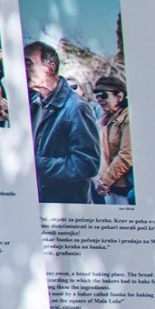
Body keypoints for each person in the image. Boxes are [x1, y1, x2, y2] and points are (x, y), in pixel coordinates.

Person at [26, 40, 102, 202]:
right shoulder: (33, 103)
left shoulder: (77, 108)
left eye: (28, 63)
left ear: (50, 68)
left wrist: (36, 164)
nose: (22, 69)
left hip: (67, 210)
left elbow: (86, 164)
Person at [93, 76, 135, 205]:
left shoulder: (129, 118)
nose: (99, 99)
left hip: (126, 191)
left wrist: (105, 181)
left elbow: (126, 155)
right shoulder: (103, 120)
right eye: (97, 95)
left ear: (120, 97)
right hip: (109, 190)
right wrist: (99, 182)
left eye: (103, 95)